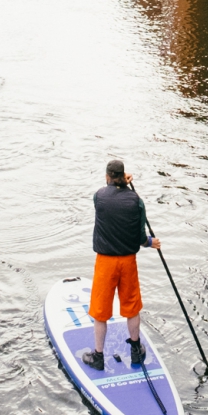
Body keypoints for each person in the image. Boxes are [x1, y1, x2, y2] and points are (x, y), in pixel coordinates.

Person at [82, 159, 160, 371]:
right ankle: (136, 350)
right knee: (131, 307)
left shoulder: (98, 197)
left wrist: (119, 183)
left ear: (107, 177)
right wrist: (151, 243)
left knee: (100, 311)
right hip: (128, 262)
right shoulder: (137, 201)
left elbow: (109, 193)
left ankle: (98, 356)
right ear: (124, 176)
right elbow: (140, 238)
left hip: (105, 263)